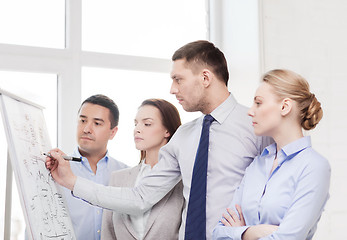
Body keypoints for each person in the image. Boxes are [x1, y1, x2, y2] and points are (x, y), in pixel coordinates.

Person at [45, 40, 271, 240]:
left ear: (205, 78)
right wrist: (72, 181)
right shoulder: (183, 137)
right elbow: (140, 197)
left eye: (178, 79)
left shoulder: (257, 127)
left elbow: (281, 197)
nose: (172, 89)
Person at [212, 69, 331, 240]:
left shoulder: (314, 167)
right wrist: (253, 232)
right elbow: (218, 233)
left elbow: (287, 238)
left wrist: (240, 232)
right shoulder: (257, 164)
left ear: (284, 107)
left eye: (258, 103)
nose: (250, 111)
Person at [101, 98, 184, 239]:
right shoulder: (118, 178)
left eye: (147, 124)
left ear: (167, 131)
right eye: (136, 123)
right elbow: (108, 233)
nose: (137, 129)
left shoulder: (183, 181)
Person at [51, 94, 128, 240]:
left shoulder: (126, 174)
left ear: (113, 132)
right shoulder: (55, 170)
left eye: (97, 123)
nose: (86, 129)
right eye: (82, 120)